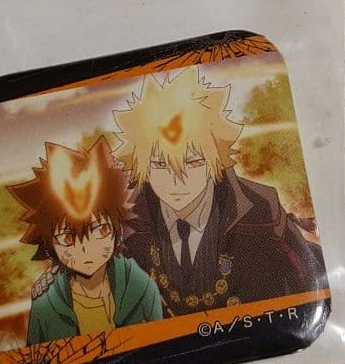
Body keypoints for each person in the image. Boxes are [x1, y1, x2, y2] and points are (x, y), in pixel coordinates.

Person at [112, 67, 327, 317]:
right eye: (159, 165)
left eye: (193, 163)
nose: (176, 182)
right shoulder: (126, 222)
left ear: (215, 159)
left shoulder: (261, 212)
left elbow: (309, 284)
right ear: (141, 166)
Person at [8, 137, 163, 345]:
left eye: (101, 230)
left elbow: (164, 345)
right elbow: (35, 359)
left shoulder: (141, 286)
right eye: (67, 238)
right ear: (49, 244)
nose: (85, 249)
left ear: (117, 230)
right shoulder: (45, 304)